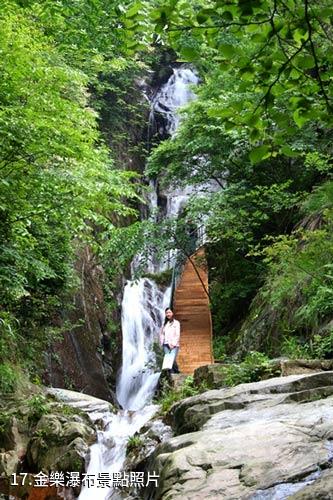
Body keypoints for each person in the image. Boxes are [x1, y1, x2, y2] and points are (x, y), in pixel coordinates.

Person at [159, 307, 180, 374]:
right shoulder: (164, 324)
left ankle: (176, 372)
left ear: (172, 313)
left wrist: (173, 344)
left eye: (169, 312)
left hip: (174, 345)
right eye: (167, 313)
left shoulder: (176, 323)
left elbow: (177, 334)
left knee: (172, 359)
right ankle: (172, 375)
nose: (168, 314)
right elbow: (162, 333)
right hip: (165, 344)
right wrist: (162, 342)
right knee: (168, 360)